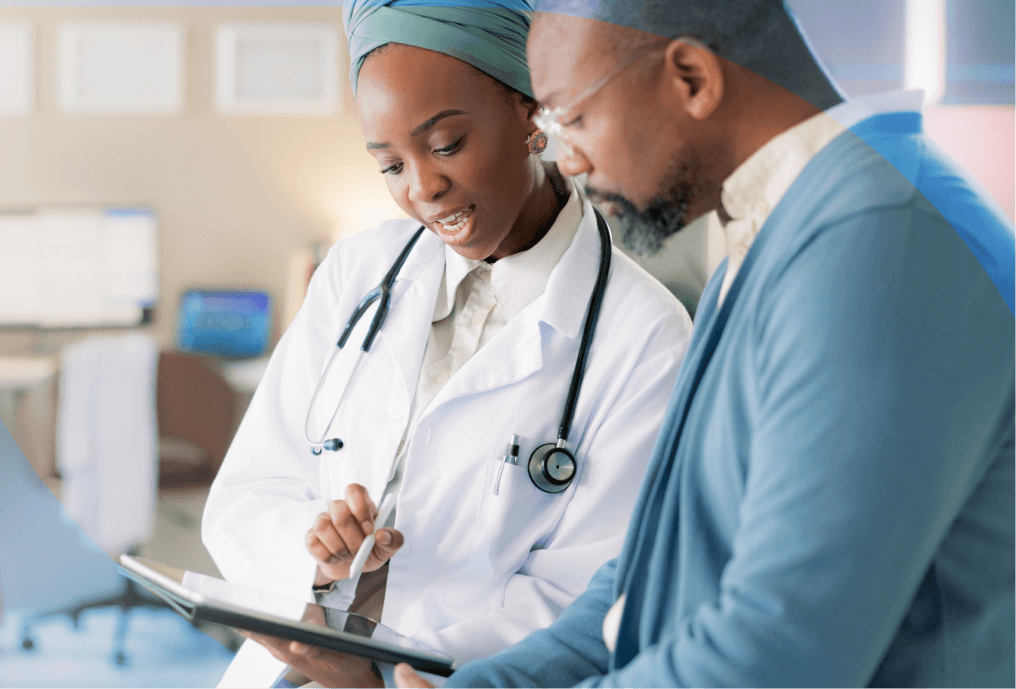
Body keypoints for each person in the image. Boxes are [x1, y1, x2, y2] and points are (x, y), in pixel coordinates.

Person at [393, 1, 1016, 687]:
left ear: (691, 77)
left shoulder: (881, 243)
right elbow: (645, 578)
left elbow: (780, 651)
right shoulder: (762, 245)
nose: (568, 160)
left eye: (572, 118)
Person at [201, 1, 692, 686]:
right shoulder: (356, 273)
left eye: (445, 145)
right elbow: (250, 491)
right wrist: (317, 557)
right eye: (390, 165)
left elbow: (587, 600)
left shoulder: (647, 338)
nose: (423, 188)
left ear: (531, 113)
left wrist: (374, 673)